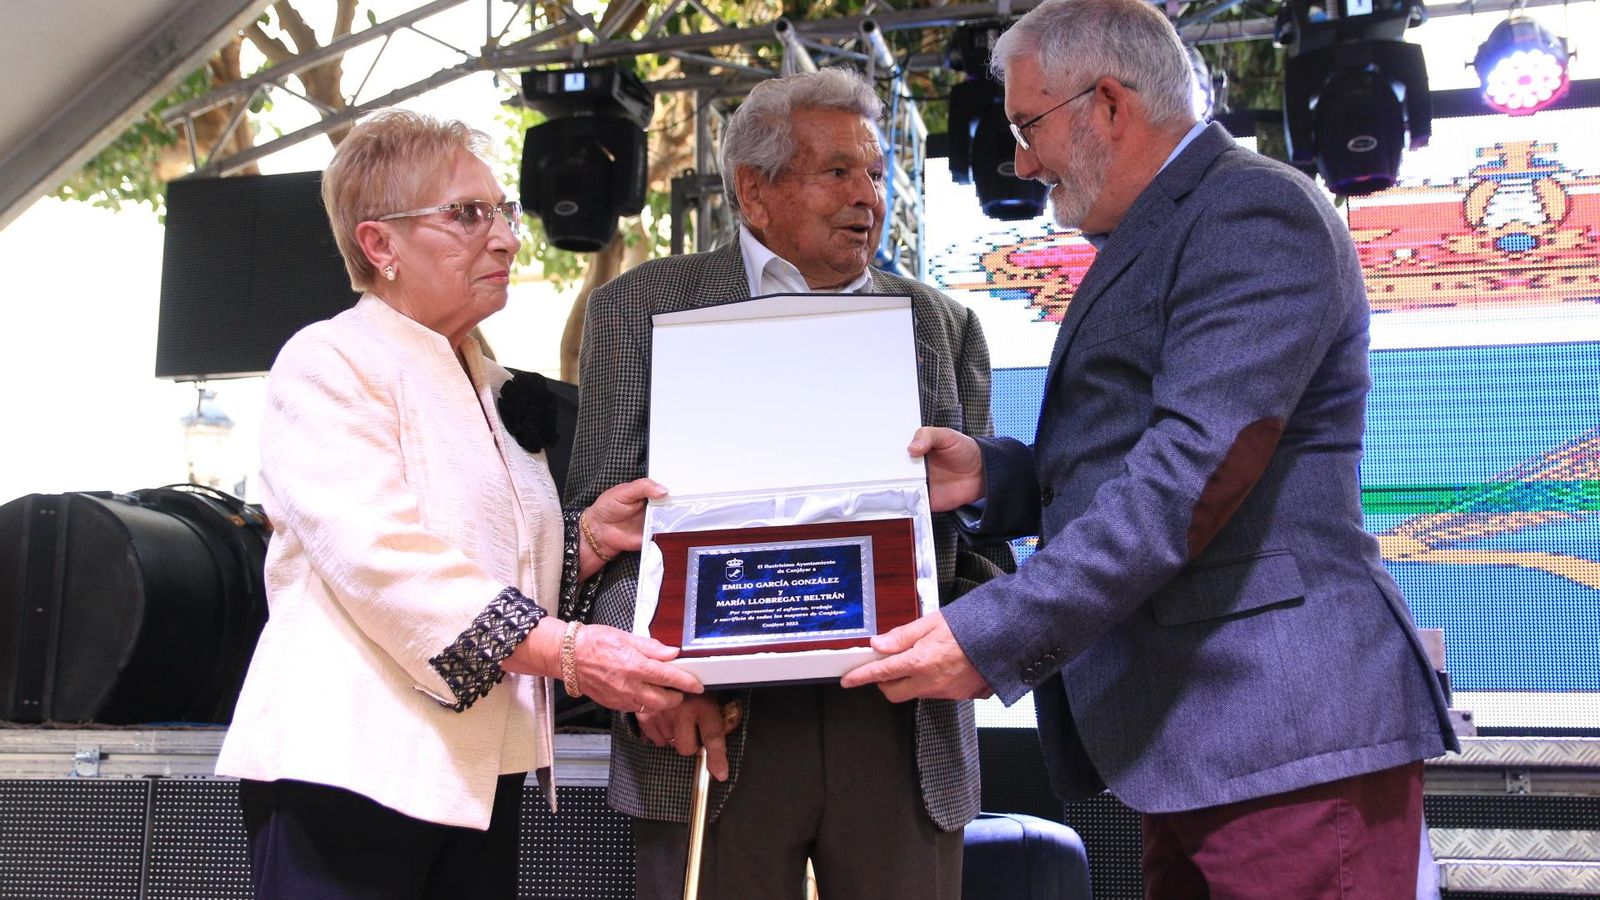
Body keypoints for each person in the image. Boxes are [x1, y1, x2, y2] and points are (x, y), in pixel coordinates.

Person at [841, 0, 1459, 896]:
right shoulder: (1169, 223)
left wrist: (991, 632)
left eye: (1027, 126)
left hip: (1284, 738)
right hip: (1202, 745)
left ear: (1109, 104)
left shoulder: (1253, 212)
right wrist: (994, 477)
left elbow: (1192, 476)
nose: (1021, 162)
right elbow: (1144, 453)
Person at [214, 109, 704, 900]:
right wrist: (570, 650)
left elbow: (486, 556)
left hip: (473, 771)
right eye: (469, 215)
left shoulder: (489, 381)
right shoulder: (328, 360)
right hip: (350, 764)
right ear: (380, 244)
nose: (506, 239)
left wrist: (584, 541)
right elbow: (383, 560)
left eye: (503, 212)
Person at [565, 67, 1013, 899]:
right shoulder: (638, 309)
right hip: (709, 724)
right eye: (837, 171)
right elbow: (602, 521)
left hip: (899, 726)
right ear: (755, 191)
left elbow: (980, 537)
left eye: (874, 173)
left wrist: (977, 641)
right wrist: (649, 674)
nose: (867, 197)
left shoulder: (943, 326)